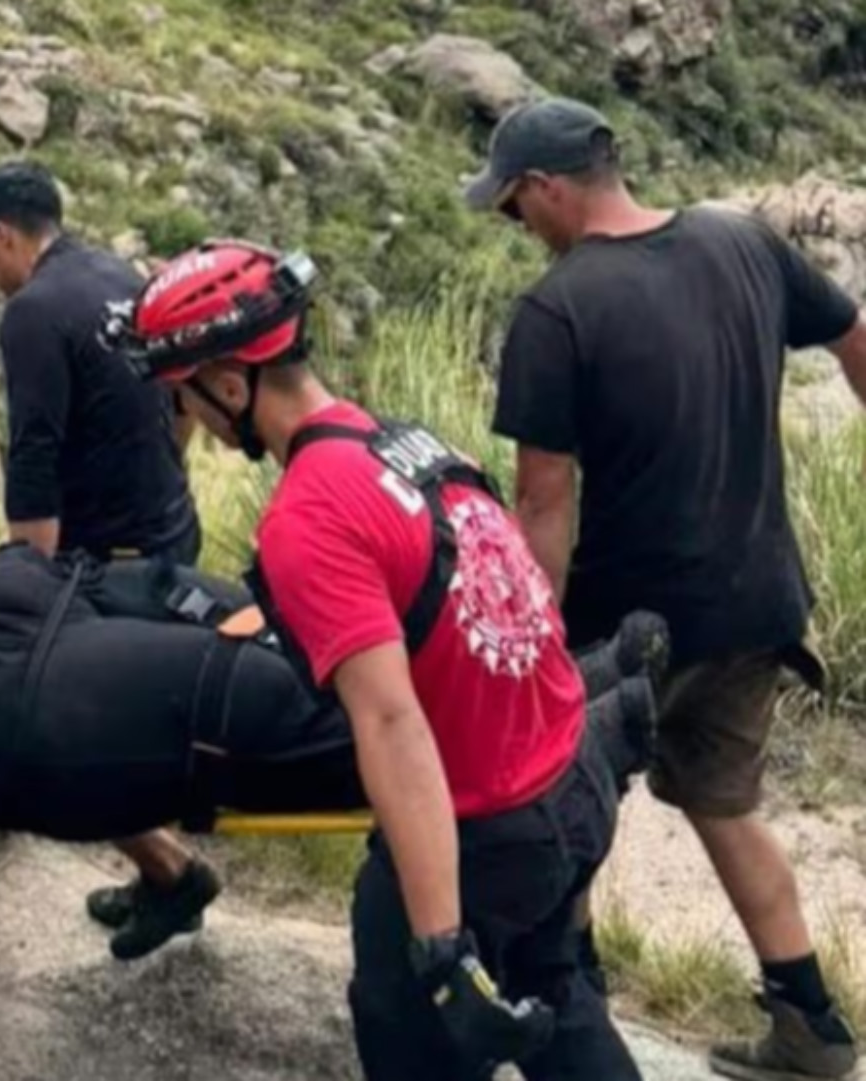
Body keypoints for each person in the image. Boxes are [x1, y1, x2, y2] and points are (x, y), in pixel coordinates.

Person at [116, 238, 644, 1080]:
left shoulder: (308, 514)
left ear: (226, 382)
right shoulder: (400, 440)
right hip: (572, 774)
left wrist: (438, 948)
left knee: (416, 1042)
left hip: (483, 829)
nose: (192, 425)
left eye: (184, 398)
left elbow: (392, 722)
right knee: (561, 1000)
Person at [471, 96, 866, 1081]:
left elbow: (541, 503)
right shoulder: (741, 243)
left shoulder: (557, 310)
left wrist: (529, 644)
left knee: (561, 803)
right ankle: (809, 1026)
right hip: (756, 596)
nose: (516, 228)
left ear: (546, 188)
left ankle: (573, 1008)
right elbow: (855, 335)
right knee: (723, 802)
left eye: (513, 208)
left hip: (624, 620)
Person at [0, 158, 219, 962]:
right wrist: (166, 481)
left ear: (3, 235)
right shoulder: (116, 270)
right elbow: (182, 393)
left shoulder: (32, 309)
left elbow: (33, 454)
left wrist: (25, 586)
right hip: (170, 531)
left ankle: (173, 873)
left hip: (109, 560)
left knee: (65, 727)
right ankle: (163, 869)